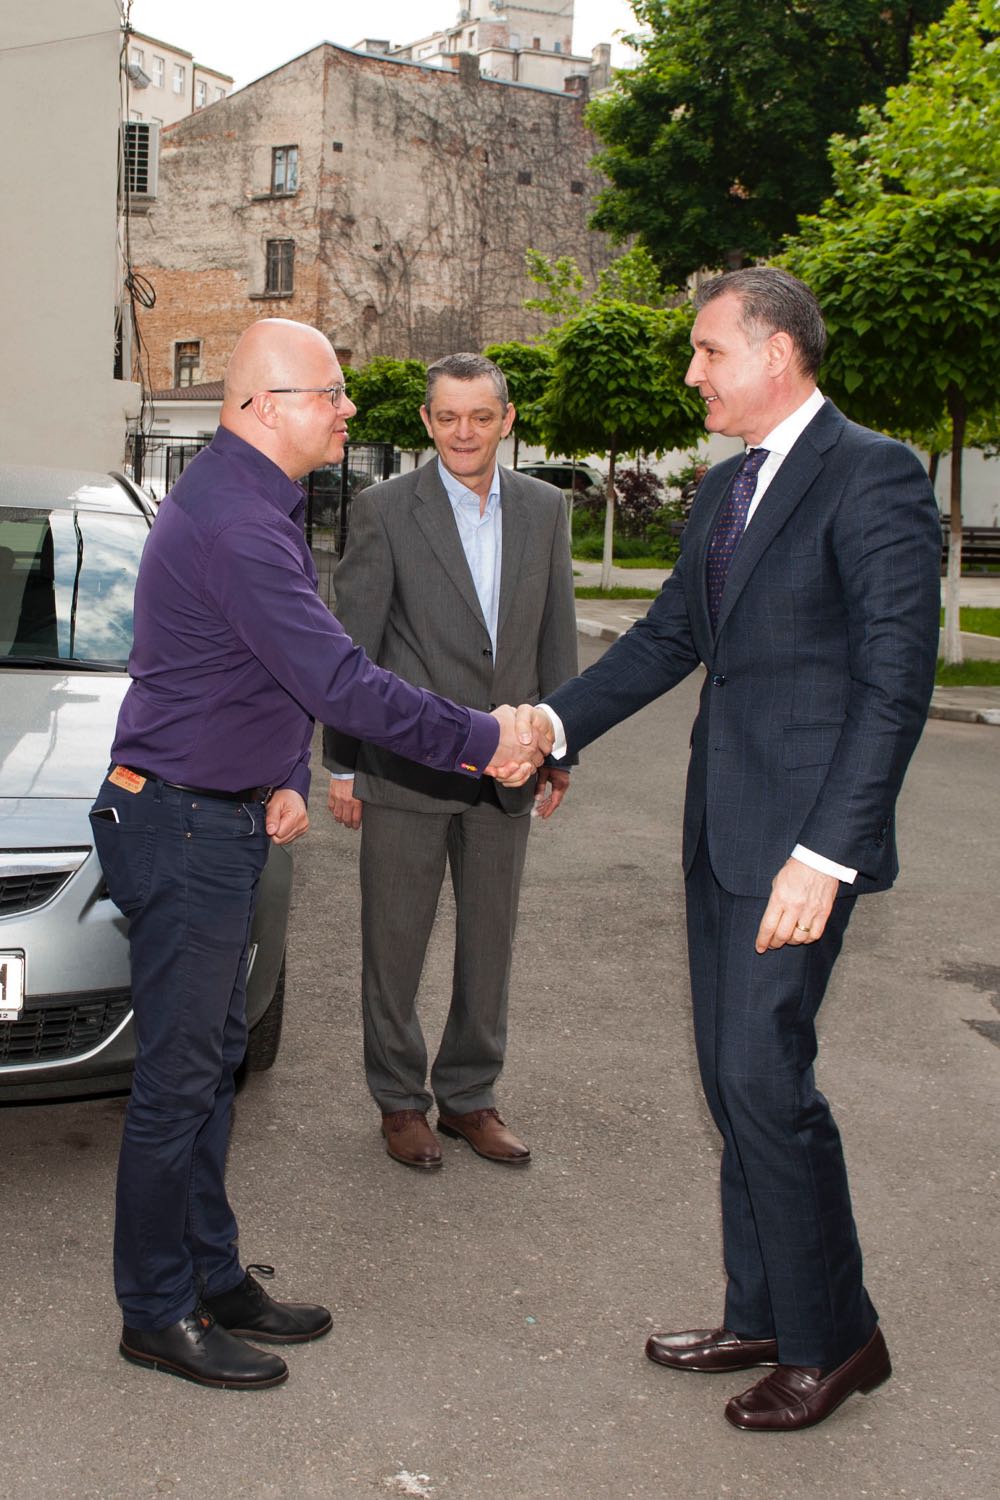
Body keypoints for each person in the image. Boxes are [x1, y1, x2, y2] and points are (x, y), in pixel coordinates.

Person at [90, 319, 550, 1391]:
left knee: (211, 1070)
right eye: (330, 394)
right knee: (176, 1082)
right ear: (264, 407)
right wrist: (487, 739)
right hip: (186, 825)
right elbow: (341, 682)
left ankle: (210, 1271)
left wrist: (283, 779)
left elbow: (248, 677)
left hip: (218, 811)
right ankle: (155, 1310)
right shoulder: (240, 523)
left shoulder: (249, 499)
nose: (349, 410)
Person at [535, 269, 941, 1432]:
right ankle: (761, 1308)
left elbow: (895, 685)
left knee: (766, 1079)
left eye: (707, 352)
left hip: (801, 847)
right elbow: (667, 639)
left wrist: (829, 852)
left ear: (774, 352)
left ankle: (836, 1337)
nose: (691, 374)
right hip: (724, 832)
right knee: (731, 1079)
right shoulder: (724, 494)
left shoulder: (873, 474)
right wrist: (551, 726)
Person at [324, 353, 577, 1169]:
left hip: (510, 771)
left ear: (507, 419)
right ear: (427, 423)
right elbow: (352, 647)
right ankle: (400, 1101)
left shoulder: (546, 509)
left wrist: (563, 744)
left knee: (489, 944)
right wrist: (342, 766)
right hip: (404, 769)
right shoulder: (384, 510)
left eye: (480, 416)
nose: (463, 431)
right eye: (447, 416)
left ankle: (470, 1096)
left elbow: (555, 632)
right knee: (393, 943)